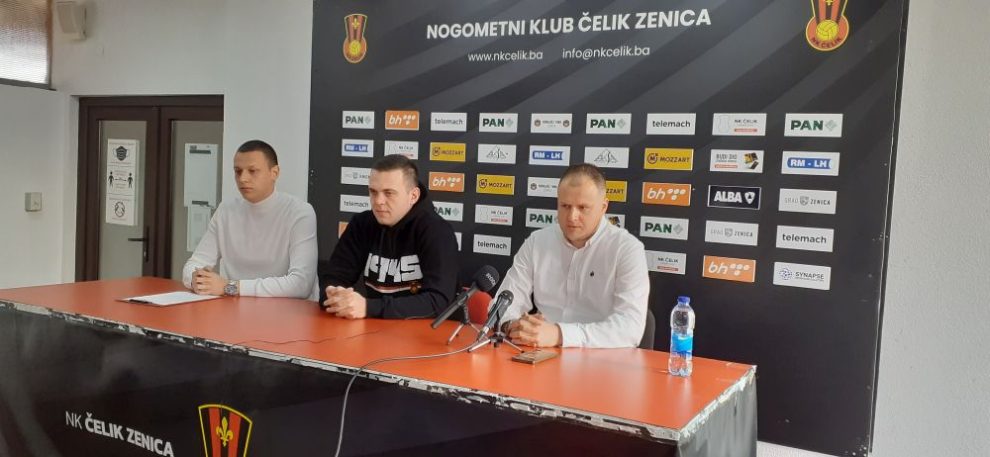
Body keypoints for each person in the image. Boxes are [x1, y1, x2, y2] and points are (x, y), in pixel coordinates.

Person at [496, 163, 649, 348]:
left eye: (583, 208)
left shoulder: (627, 249)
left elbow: (630, 328)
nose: (572, 217)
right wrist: (512, 326)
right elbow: (502, 305)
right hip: (539, 353)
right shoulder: (537, 242)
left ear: (603, 207)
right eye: (565, 206)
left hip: (602, 358)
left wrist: (560, 335)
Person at [320, 154, 459, 319]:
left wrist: (369, 307)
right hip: (374, 328)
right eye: (373, 192)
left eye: (389, 193)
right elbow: (334, 277)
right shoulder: (361, 224)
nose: (378, 201)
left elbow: (438, 301)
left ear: (413, 196)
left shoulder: (437, 231)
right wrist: (335, 295)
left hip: (426, 331)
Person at [182, 140, 318, 300]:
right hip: (235, 307)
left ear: (274, 173)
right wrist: (198, 279)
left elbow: (301, 284)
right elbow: (193, 265)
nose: (243, 178)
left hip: (288, 311)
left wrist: (230, 287)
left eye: (252, 171)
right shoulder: (226, 210)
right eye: (238, 171)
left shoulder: (299, 212)